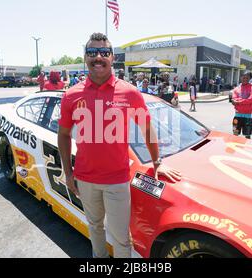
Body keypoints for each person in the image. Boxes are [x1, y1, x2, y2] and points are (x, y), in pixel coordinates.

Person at [58, 33, 181, 258]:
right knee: (94, 227)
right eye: (92, 53)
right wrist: (68, 172)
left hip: (117, 180)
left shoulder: (129, 92)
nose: (98, 57)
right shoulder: (71, 95)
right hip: (85, 178)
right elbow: (64, 134)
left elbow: (146, 128)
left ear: (113, 57)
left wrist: (157, 162)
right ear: (85, 57)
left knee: (121, 238)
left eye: (104, 53)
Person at [231, 71, 252, 139]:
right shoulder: (236, 89)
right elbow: (234, 99)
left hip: (248, 117)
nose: (245, 79)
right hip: (237, 116)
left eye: (247, 77)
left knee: (247, 136)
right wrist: (246, 101)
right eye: (243, 77)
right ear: (240, 77)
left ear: (250, 78)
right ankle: (235, 148)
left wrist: (238, 102)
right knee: (235, 134)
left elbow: (251, 100)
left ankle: (246, 148)